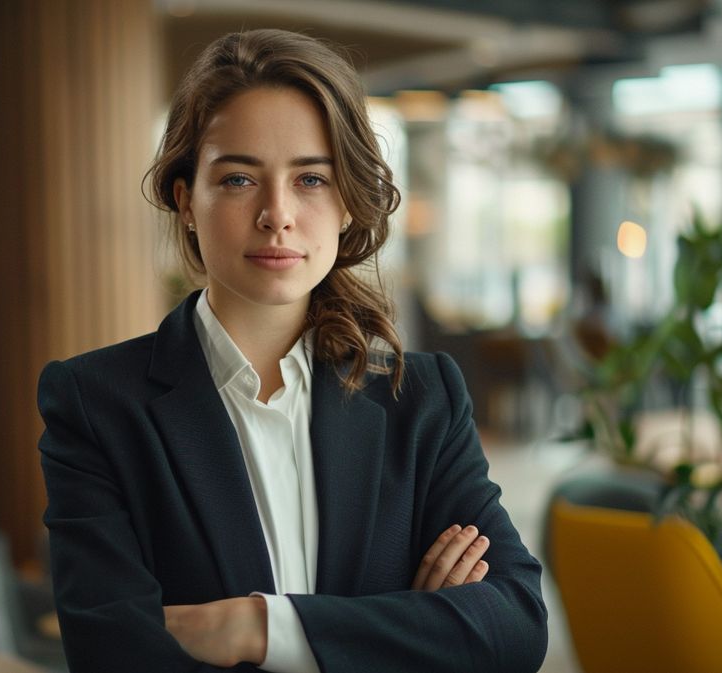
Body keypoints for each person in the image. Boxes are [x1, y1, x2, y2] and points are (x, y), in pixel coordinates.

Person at [38, 29, 547, 673]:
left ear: (345, 205)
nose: (277, 214)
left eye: (310, 178)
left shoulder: (420, 399)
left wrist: (256, 626)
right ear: (185, 200)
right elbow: (113, 653)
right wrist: (407, 632)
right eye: (239, 178)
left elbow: (515, 627)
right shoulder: (95, 404)